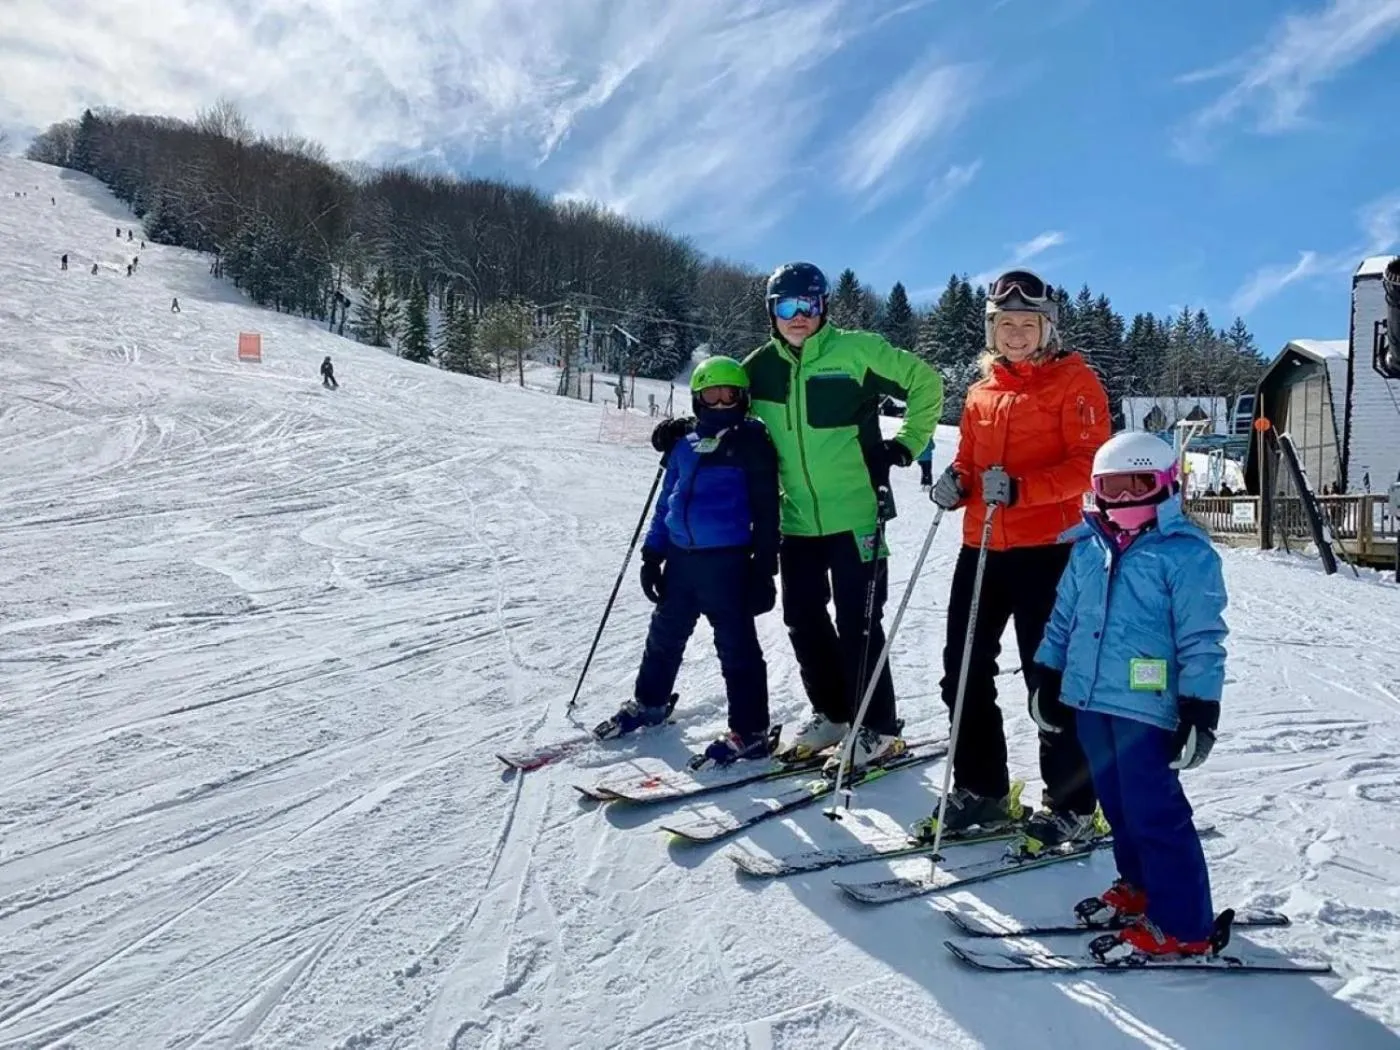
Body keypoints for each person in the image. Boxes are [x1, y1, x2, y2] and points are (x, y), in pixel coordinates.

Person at [654, 262, 942, 774]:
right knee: (802, 620)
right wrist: (684, 428)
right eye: (786, 306)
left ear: (823, 306)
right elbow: (725, 405)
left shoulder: (858, 351)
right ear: (772, 312)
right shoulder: (760, 367)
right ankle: (833, 714)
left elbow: (926, 381)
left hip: (857, 516)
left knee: (858, 623)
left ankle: (878, 728)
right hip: (796, 522)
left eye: (808, 305)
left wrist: (906, 445)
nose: (798, 316)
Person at [916, 268, 1110, 852]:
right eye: (1006, 324)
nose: (1017, 334)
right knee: (962, 670)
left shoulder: (1076, 383)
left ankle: (1073, 804)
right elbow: (970, 462)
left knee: (1047, 677)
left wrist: (1025, 490)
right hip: (981, 546)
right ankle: (984, 789)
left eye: (1028, 323)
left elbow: (1091, 464)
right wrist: (956, 483)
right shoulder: (982, 391)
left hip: (1048, 550)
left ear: (1047, 328)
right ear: (991, 329)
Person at [1031, 429, 1228, 959]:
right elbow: (1063, 618)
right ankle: (1140, 885)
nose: (1122, 499)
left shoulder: (1185, 555)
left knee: (1153, 810)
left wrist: (1199, 707)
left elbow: (1202, 638)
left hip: (1148, 706)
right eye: (1110, 488)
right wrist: (1048, 673)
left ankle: (1184, 923)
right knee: (1117, 804)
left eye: (1136, 485)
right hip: (1091, 700)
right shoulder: (1087, 546)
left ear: (1167, 484)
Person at [597, 357, 781, 769]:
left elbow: (768, 513)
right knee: (664, 635)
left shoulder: (752, 442)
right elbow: (667, 502)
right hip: (681, 561)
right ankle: (651, 703)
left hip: (728, 563)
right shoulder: (684, 443)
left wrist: (764, 569)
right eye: (711, 396)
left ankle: (751, 731)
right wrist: (652, 555)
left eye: (729, 395)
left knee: (737, 648)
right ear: (697, 398)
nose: (721, 404)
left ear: (743, 398)